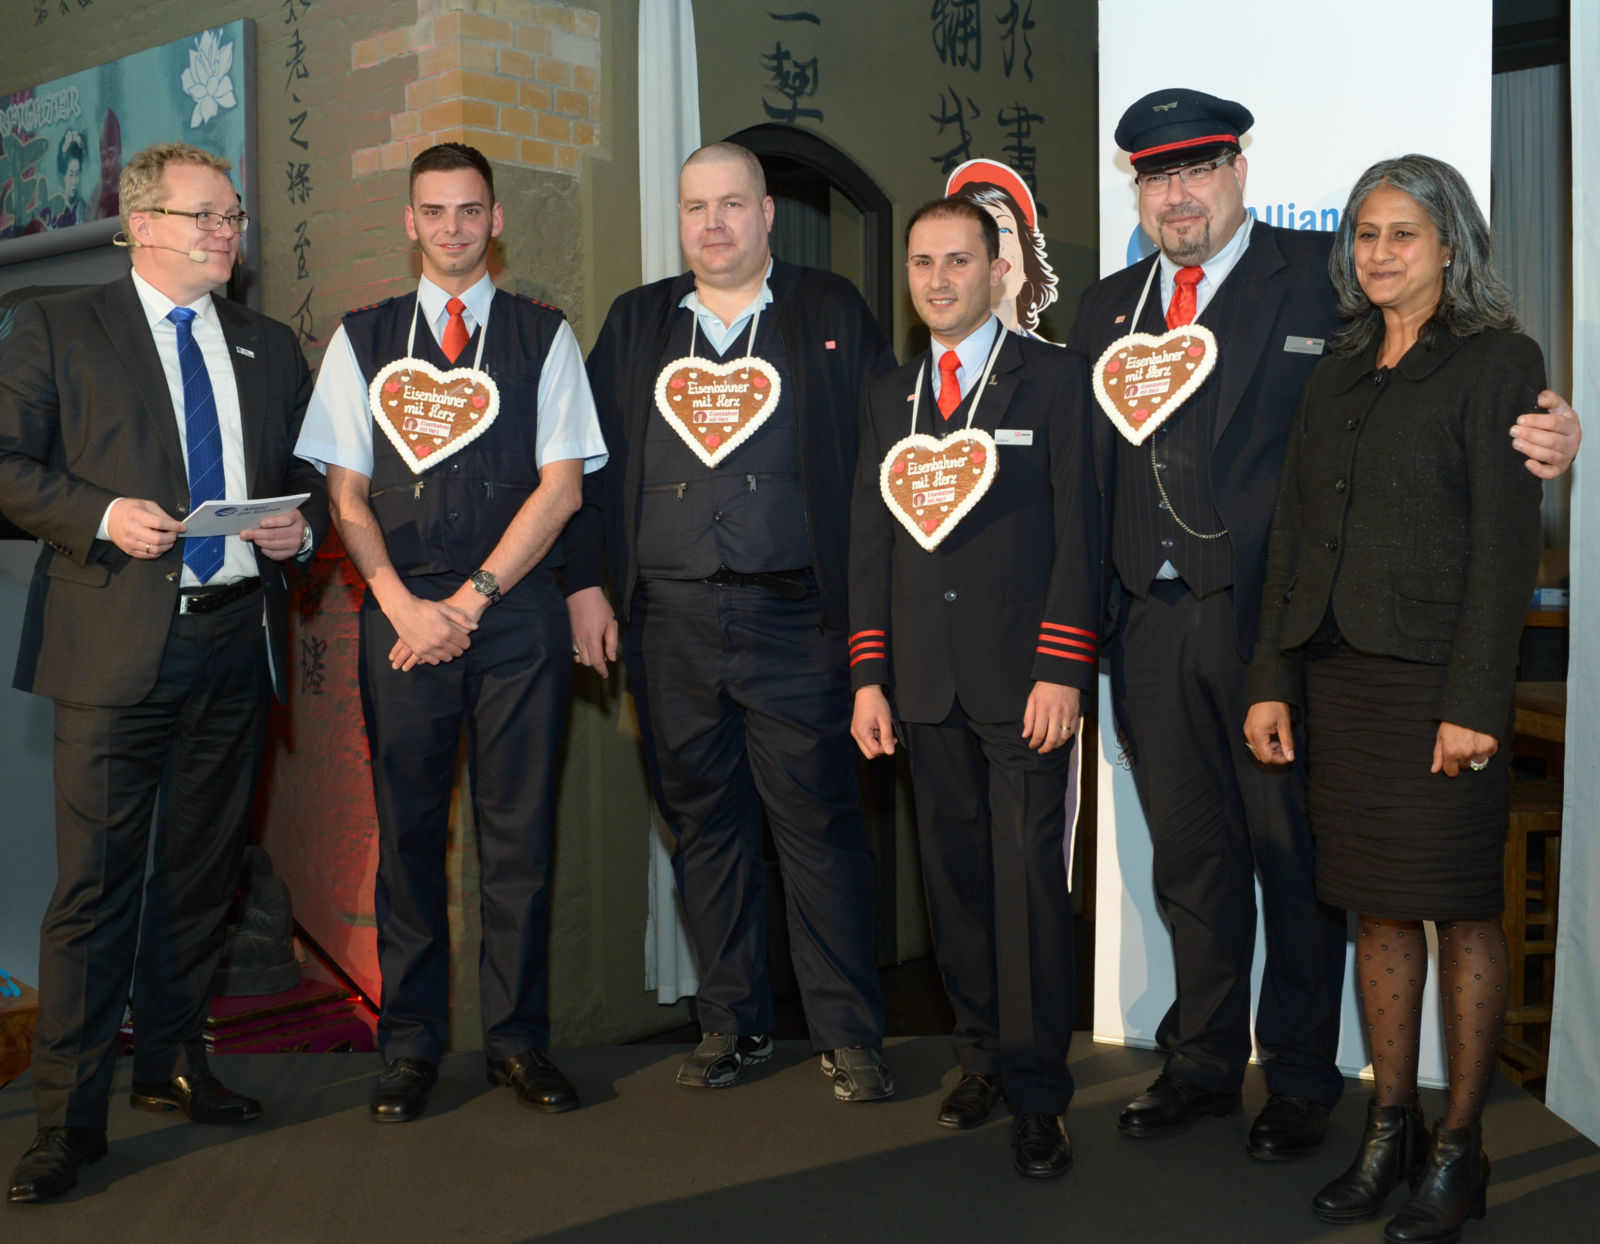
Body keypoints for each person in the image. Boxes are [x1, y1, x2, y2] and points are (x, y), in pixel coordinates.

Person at [1066, 89, 1581, 1163]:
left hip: (1285, 637)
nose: (1178, 192)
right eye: (1156, 176)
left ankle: (1298, 1076)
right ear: (1137, 189)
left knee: (1295, 860)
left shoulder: (1323, 276)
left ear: (1238, 168)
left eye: (1197, 168)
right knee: (1190, 863)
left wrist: (1551, 426)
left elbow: (1448, 389)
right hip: (1150, 630)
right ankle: (1202, 1057)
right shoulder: (1106, 309)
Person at [0, 141, 327, 1203]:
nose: (226, 232)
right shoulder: (59, 327)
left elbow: (308, 480)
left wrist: (298, 532)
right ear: (140, 224)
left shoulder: (269, 346)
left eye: (232, 216)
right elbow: (8, 463)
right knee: (94, 893)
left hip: (236, 643)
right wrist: (96, 513)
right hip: (112, 648)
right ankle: (67, 1120)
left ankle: (173, 1060)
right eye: (204, 216)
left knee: (200, 874)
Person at [1245, 155, 1542, 1243]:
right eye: (1365, 233)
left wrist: (1474, 701)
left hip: (1439, 685)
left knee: (1457, 905)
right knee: (1375, 904)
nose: (1377, 252)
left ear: (1450, 246)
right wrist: (1273, 674)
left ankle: (1460, 1146)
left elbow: (1504, 551)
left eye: (1402, 234)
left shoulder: (1497, 362)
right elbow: (1292, 533)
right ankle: (1390, 1125)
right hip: (1340, 678)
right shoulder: (1339, 365)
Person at [566, 142, 895, 1099]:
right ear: (680, 220)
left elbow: (884, 462)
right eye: (695, 207)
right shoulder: (635, 324)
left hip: (798, 618)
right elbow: (582, 467)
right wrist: (584, 585)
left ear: (767, 217)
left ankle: (849, 1034)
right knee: (702, 830)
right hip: (666, 621)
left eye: (732, 205)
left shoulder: (829, 310)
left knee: (819, 829)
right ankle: (733, 1024)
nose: (713, 224)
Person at [292, 142, 607, 1123]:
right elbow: (342, 492)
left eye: (471, 211)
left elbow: (561, 489)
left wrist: (467, 602)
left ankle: (516, 1042)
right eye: (435, 211)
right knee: (410, 841)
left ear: (496, 220)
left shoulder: (543, 338)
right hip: (398, 616)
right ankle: (411, 1046)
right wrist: (398, 600)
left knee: (519, 845)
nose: (454, 228)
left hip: (510, 616)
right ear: (409, 222)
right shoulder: (362, 339)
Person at [849, 197, 1098, 1177]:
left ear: (999, 272)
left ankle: (1039, 1092)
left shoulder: (1053, 380)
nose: (939, 279)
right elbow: (868, 545)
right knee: (952, 886)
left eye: (959, 261)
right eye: (923, 262)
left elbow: (1079, 528)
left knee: (1030, 886)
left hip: (1024, 683)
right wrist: (869, 675)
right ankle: (980, 1056)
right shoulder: (888, 395)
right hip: (921, 684)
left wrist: (1062, 665)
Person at [946, 159, 1059, 339]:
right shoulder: (937, 365)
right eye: (980, 232)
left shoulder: (1059, 365)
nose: (996, 245)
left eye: (1005, 229)